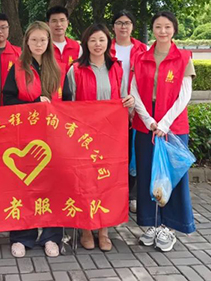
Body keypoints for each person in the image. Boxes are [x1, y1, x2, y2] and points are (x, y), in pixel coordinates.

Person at [2, 21, 71, 258]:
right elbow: (7, 100)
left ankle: (52, 237)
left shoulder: (60, 68)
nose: (39, 44)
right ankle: (22, 237)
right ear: (27, 42)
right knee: (24, 187)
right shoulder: (17, 68)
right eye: (34, 40)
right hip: (25, 137)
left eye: (43, 40)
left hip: (54, 137)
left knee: (53, 187)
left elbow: (69, 102)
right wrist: (33, 105)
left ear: (49, 41)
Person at [130, 11, 196, 252]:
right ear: (153, 30)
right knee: (147, 174)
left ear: (174, 29)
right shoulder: (141, 57)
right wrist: (149, 120)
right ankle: (151, 224)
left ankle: (169, 227)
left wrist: (164, 123)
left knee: (172, 177)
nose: (162, 31)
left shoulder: (184, 57)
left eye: (167, 27)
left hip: (173, 127)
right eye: (158, 26)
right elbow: (134, 91)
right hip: (146, 126)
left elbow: (185, 95)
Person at [66, 23, 135, 251]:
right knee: (85, 182)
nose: (97, 44)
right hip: (83, 137)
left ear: (108, 42)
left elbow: (124, 97)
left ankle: (104, 231)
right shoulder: (75, 70)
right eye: (93, 40)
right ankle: (86, 229)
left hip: (110, 136)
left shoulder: (116, 68)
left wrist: (129, 102)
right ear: (86, 43)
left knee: (107, 182)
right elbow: (68, 105)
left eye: (102, 40)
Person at [110, 10, 147, 214]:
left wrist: (136, 106)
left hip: (136, 106)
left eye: (127, 23)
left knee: (133, 152)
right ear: (113, 26)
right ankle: (113, 193)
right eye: (119, 22)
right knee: (114, 152)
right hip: (111, 108)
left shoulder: (142, 49)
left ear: (132, 26)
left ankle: (132, 195)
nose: (123, 26)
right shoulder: (106, 47)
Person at [46, 6, 82, 73]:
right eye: (54, 21)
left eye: (62, 20)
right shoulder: (44, 47)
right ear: (48, 24)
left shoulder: (77, 47)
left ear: (67, 23)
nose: (59, 24)